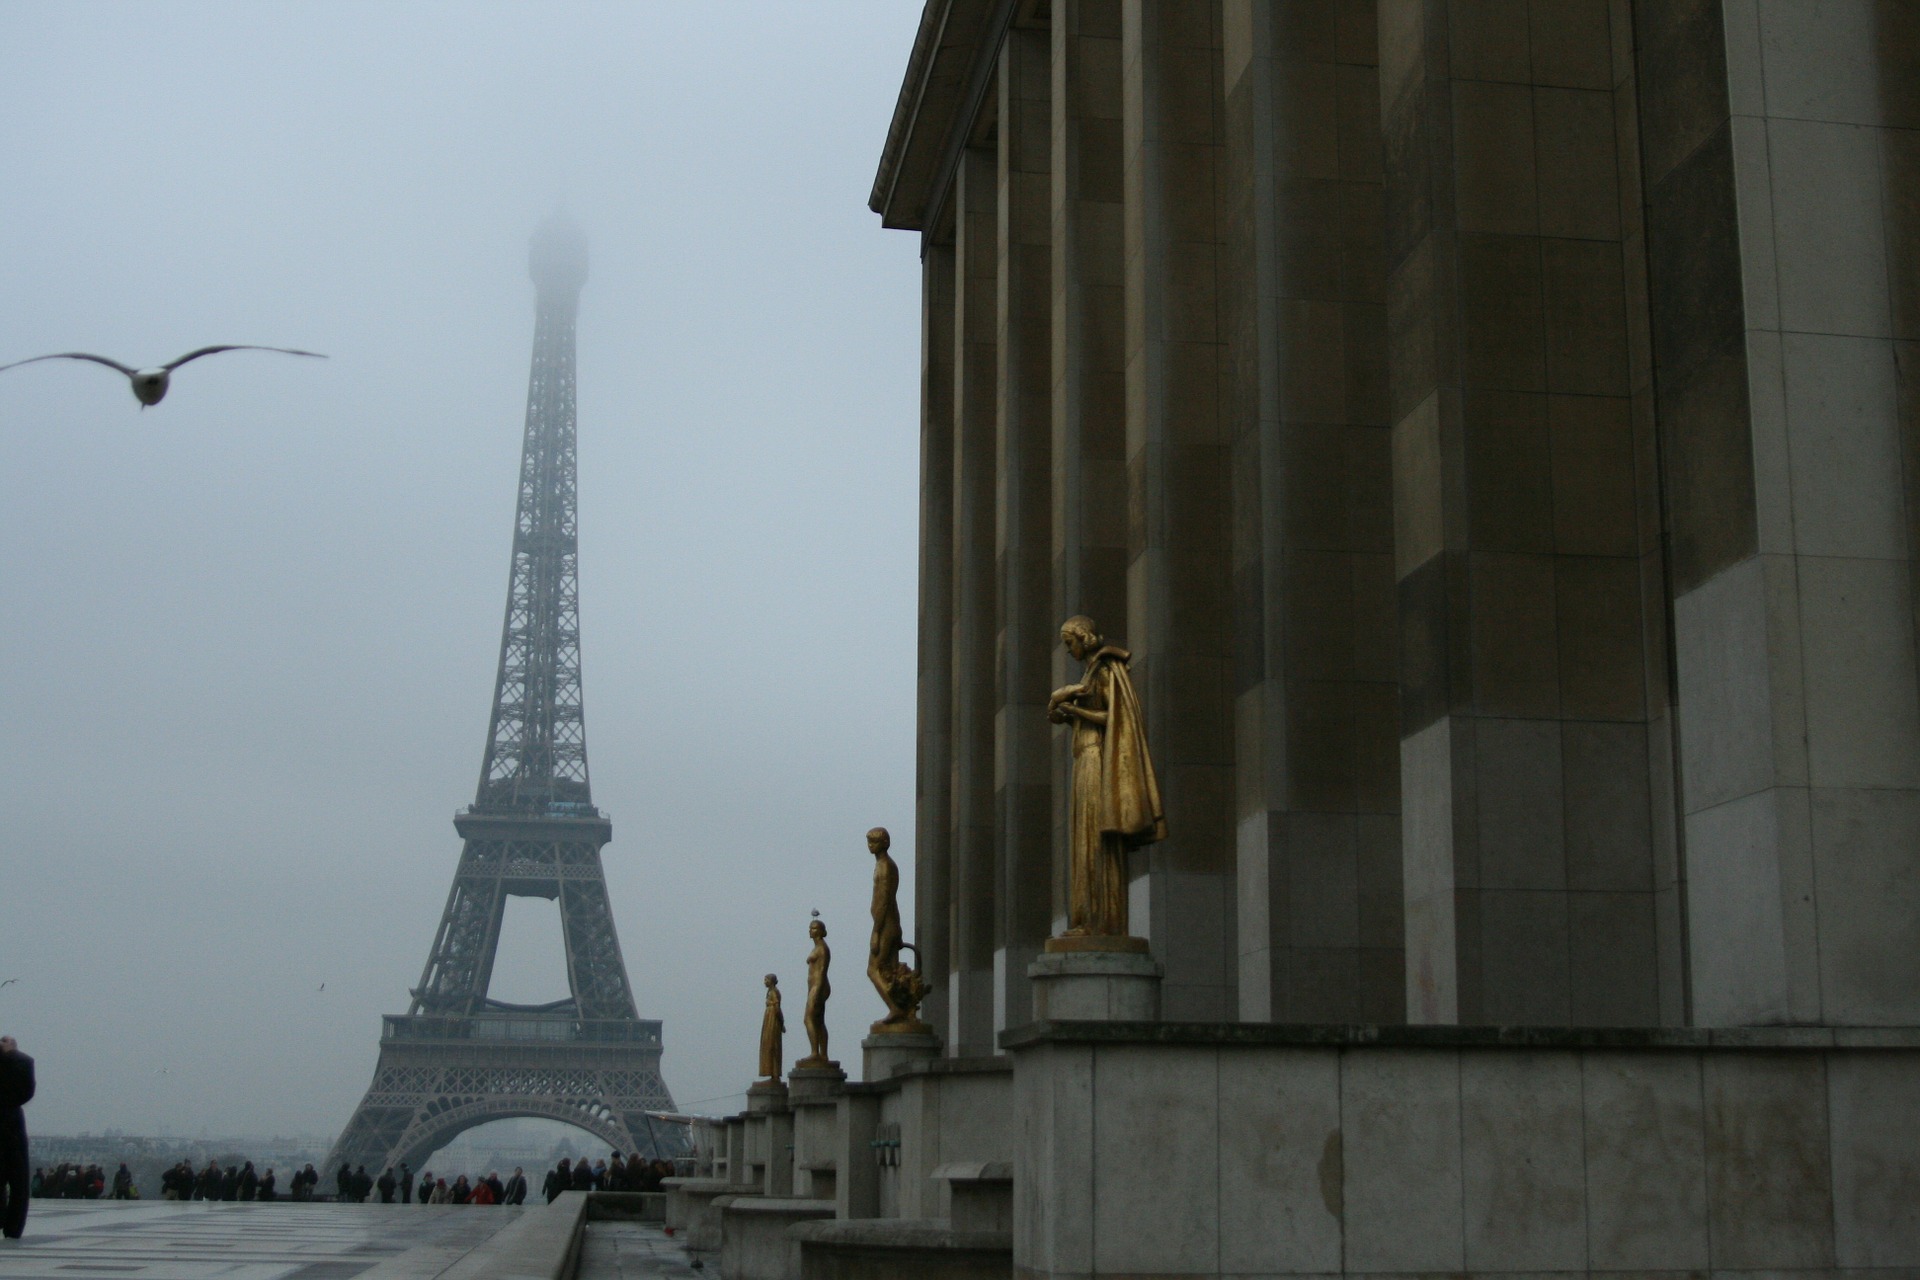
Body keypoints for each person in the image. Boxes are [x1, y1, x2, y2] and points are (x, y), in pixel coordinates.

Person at [1047, 615, 1166, 938]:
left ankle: (1102, 922)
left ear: (1082, 638)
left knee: (1096, 840)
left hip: (1098, 758)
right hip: (1084, 758)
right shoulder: (1090, 672)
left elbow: (1113, 716)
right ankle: (1085, 919)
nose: (1068, 649)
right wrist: (1066, 716)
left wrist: (1074, 711)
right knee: (1084, 841)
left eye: (1069, 642)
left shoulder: (1104, 668)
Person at [0, 1037, 30, 1241]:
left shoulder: (22, 1062)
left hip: (11, 1127)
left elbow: (22, 1092)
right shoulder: (19, 1062)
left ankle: (12, 1226)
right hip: (10, 1127)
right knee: (17, 1182)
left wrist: (10, 1056)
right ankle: (9, 1223)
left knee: (18, 1182)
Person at [758, 974, 785, 1080]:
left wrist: (781, 1023)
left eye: (766, 979)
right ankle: (771, 1072)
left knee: (772, 1044)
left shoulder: (774, 992)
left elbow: (777, 1008)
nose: (764, 982)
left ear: (772, 981)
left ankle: (775, 1073)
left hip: (772, 1019)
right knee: (768, 1044)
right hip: (769, 1017)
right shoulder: (770, 992)